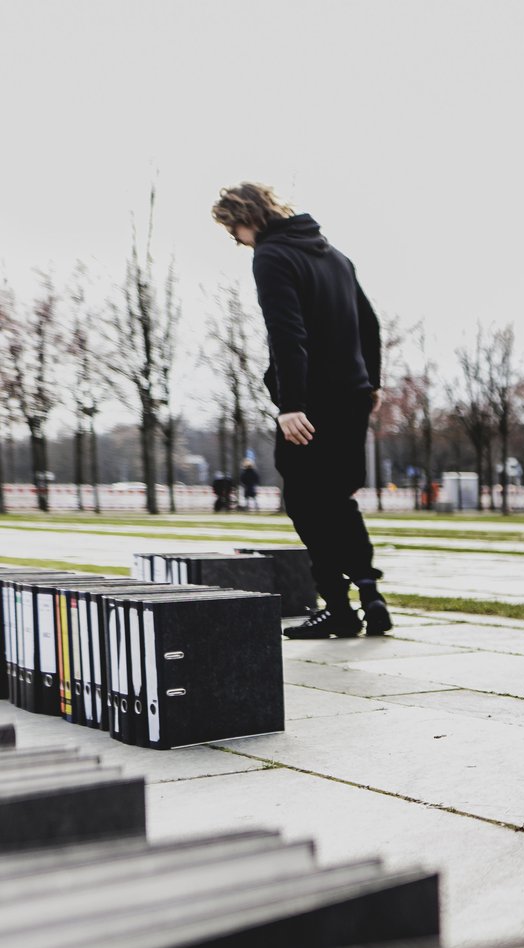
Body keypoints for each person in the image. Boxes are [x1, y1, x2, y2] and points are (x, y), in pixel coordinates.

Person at [212, 182, 390, 639]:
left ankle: (337, 607)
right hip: (352, 395)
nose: (236, 240)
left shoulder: (272, 256)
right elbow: (368, 323)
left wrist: (291, 405)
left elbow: (286, 333)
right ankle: (368, 591)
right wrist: (371, 382)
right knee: (338, 498)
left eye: (234, 230)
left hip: (312, 401)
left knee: (306, 503)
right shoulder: (334, 256)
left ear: (247, 218)